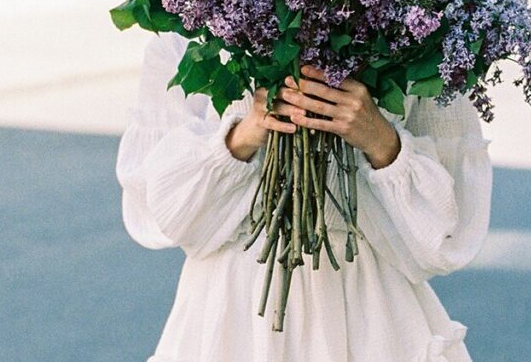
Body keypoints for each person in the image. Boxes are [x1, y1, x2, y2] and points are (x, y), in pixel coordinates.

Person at [116, 32, 493, 362]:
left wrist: (380, 140)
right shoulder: (186, 29)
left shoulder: (420, 20)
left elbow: (448, 234)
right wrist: (244, 134)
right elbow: (159, 212)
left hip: (367, 311)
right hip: (233, 312)